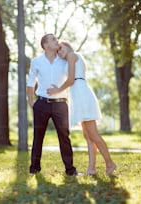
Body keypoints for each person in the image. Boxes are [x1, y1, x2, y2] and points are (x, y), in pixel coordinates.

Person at [47, 41, 116, 175]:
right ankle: (91, 169)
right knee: (88, 135)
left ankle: (110, 163)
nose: (59, 51)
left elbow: (71, 79)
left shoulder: (73, 55)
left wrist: (57, 90)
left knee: (93, 134)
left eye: (60, 48)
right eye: (57, 51)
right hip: (77, 95)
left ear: (67, 46)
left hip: (82, 95)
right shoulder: (69, 60)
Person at [26, 34, 77, 176]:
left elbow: (72, 77)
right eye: (53, 39)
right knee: (38, 136)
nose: (57, 41)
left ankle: (70, 169)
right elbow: (31, 81)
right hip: (42, 103)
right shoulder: (36, 61)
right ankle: (34, 167)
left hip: (61, 104)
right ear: (45, 45)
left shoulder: (64, 60)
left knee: (64, 136)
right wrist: (30, 100)